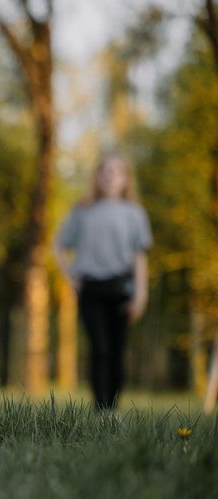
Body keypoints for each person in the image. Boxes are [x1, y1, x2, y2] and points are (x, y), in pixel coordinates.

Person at [54, 155, 152, 411]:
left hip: (121, 290)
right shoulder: (82, 210)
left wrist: (141, 295)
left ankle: (112, 409)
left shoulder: (134, 213)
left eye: (117, 172)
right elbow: (59, 244)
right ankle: (101, 411)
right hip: (90, 290)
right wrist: (70, 277)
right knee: (100, 348)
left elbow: (139, 257)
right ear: (97, 177)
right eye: (105, 171)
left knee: (117, 352)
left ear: (125, 179)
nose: (110, 176)